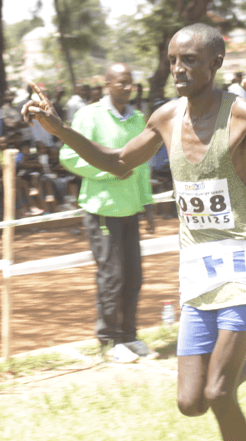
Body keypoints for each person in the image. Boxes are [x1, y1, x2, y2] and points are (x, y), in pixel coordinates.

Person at [22, 23, 246, 441]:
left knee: (219, 392)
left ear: (216, 63)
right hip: (198, 270)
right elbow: (118, 162)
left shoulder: (238, 112)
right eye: (172, 61)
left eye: (190, 61)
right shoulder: (166, 116)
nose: (178, 69)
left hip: (243, 267)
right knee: (190, 402)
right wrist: (61, 131)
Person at [59, 63, 156, 361]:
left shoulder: (138, 119)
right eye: (121, 82)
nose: (127, 87)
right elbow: (68, 156)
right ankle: (109, 341)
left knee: (133, 276)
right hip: (103, 210)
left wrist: (147, 205)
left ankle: (129, 336)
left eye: (130, 83)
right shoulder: (90, 116)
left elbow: (141, 167)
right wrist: (110, 171)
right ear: (107, 84)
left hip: (130, 210)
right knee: (112, 277)